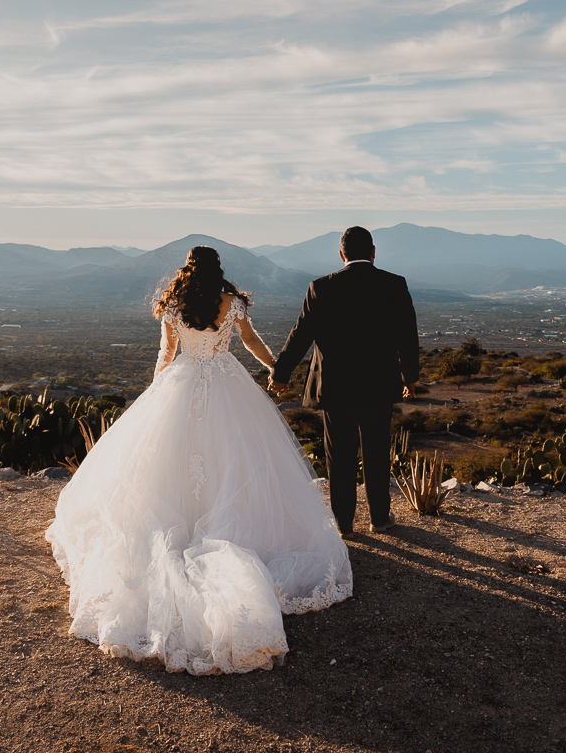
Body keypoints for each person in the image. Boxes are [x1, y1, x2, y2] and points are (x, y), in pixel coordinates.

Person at [46, 246, 352, 675]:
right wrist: (275, 367)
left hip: (182, 383)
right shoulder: (233, 303)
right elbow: (250, 342)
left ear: (188, 270)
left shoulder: (173, 305)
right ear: (217, 269)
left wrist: (157, 391)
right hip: (228, 384)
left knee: (175, 461)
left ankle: (185, 527)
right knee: (238, 461)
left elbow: (166, 353)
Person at [269, 226, 419, 538]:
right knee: (377, 453)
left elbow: (300, 336)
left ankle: (344, 525)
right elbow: (407, 336)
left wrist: (280, 376)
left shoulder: (321, 287)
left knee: (339, 458)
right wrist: (410, 377)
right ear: (374, 252)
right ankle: (379, 518)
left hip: (335, 387)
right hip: (378, 386)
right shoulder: (394, 284)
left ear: (342, 255)